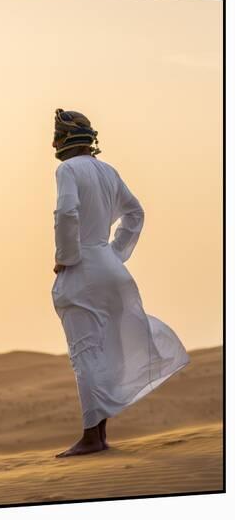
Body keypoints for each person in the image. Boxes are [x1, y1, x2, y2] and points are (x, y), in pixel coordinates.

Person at [51, 108, 191, 458]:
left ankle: (91, 437)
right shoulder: (108, 170)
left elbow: (66, 212)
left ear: (65, 139)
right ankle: (99, 434)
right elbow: (136, 212)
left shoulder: (67, 169)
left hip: (83, 268)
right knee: (106, 348)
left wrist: (65, 257)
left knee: (85, 352)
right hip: (111, 269)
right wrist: (115, 253)